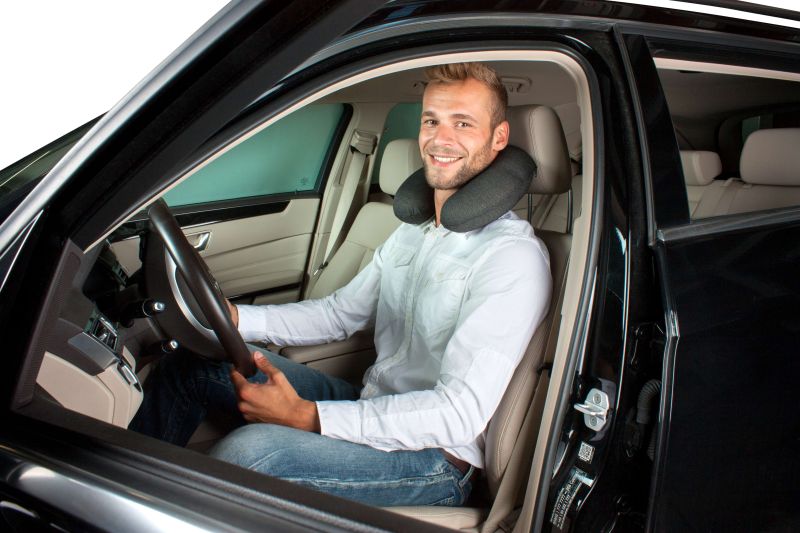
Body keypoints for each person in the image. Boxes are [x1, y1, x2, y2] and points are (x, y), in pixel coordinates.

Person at [131, 62, 551, 507]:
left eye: (462, 123)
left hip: (435, 458)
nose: (440, 139)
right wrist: (235, 319)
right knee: (194, 364)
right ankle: (127, 492)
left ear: (499, 137)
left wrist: (308, 417)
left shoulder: (511, 257)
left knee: (250, 455)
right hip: (370, 402)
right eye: (431, 121)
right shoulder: (415, 231)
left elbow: (458, 413)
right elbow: (339, 314)